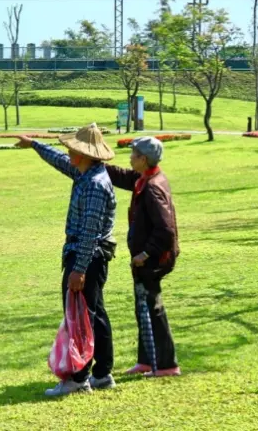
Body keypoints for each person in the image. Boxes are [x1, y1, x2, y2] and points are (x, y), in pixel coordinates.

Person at [16, 123, 118, 396]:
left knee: (79, 317)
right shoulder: (85, 172)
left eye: (72, 149)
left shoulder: (95, 185)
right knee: (95, 314)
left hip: (87, 256)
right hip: (89, 256)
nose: (68, 152)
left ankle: (78, 378)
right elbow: (60, 161)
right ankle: (102, 373)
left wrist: (79, 269)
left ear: (84, 153)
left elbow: (89, 232)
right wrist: (34, 145)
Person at [105, 137, 180, 378]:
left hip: (152, 260)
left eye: (134, 154)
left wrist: (145, 254)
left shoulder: (152, 187)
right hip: (144, 259)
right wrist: (95, 163)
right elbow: (123, 176)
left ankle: (167, 364)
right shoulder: (144, 179)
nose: (130, 158)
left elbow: (165, 230)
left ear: (144, 159)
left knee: (153, 308)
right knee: (143, 307)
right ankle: (147, 361)